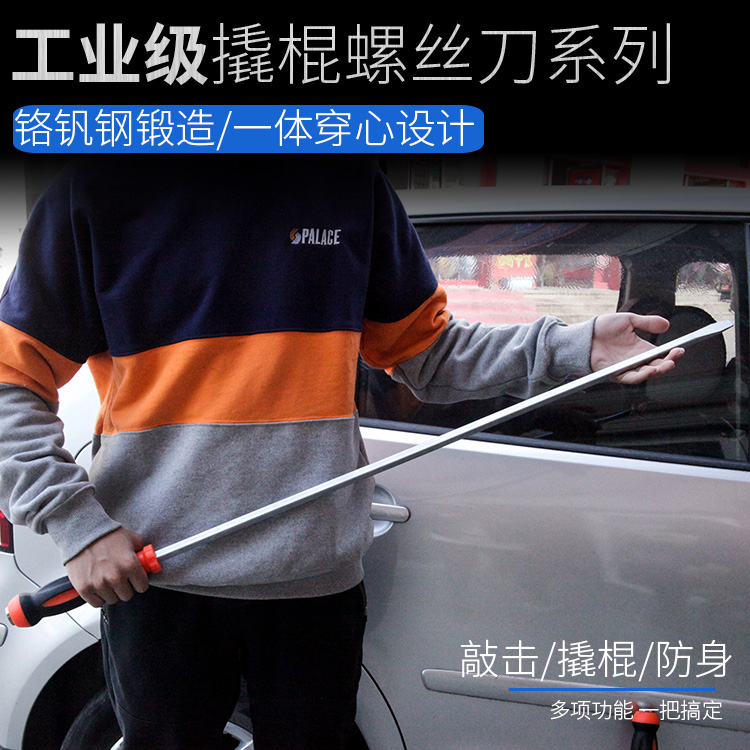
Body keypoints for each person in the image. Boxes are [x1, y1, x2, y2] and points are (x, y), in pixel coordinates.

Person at [0, 156, 682, 750]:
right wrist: (76, 523)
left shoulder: (347, 184)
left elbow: (429, 355)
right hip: (162, 585)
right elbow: (11, 379)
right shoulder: (97, 190)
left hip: (315, 589)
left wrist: (574, 347)